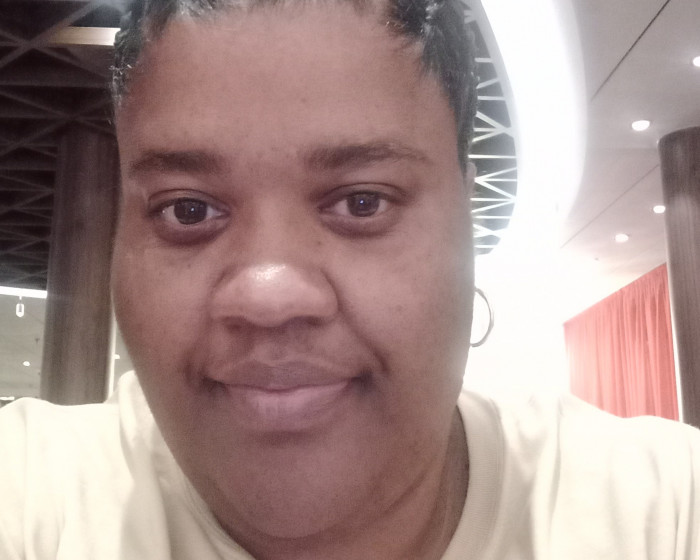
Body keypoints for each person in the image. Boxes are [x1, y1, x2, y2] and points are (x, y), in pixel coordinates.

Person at [1, 1, 699, 558]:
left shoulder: (661, 513)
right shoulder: (35, 495)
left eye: (363, 202)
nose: (268, 294)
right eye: (189, 210)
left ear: (466, 216)